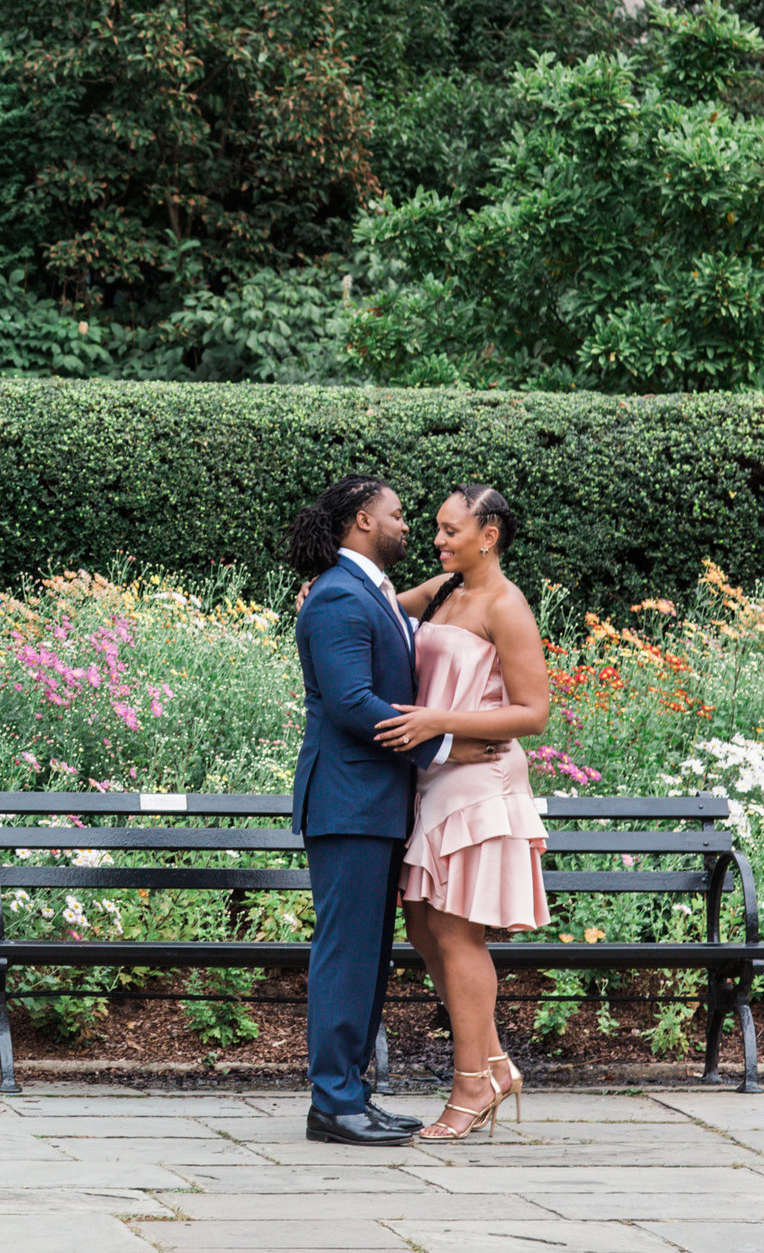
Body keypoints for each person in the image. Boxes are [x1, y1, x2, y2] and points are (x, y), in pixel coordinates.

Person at [287, 476, 512, 1147]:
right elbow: (354, 703)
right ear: (363, 520)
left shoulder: (369, 591)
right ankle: (333, 1100)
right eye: (398, 514)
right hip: (348, 803)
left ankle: (353, 1094)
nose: (409, 525)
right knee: (344, 956)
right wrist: (448, 742)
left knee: (366, 958)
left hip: (374, 804)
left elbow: (427, 615)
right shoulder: (336, 598)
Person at [372, 484, 551, 1140]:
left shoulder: (506, 605)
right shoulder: (445, 590)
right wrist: (323, 593)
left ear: (489, 534)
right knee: (422, 927)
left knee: (455, 935)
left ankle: (472, 1085)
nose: (438, 540)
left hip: (479, 779)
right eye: (438, 529)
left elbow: (533, 710)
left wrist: (439, 720)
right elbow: (381, 607)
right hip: (436, 776)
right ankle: (496, 1064)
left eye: (451, 530)